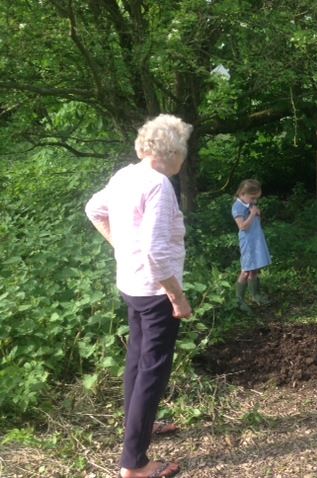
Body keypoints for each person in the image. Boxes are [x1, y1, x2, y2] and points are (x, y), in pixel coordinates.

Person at [85, 114, 192, 478]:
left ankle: (139, 429)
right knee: (153, 371)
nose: (184, 160)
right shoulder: (158, 185)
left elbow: (94, 209)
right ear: (172, 152)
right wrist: (177, 298)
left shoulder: (125, 176)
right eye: (184, 151)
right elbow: (158, 252)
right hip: (155, 290)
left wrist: (121, 246)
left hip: (131, 285)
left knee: (137, 361)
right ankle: (135, 464)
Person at [233, 179, 272, 313]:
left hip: (256, 239)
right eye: (252, 197)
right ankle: (239, 300)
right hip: (248, 242)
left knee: (255, 268)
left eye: (256, 198)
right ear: (243, 193)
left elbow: (254, 217)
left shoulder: (249, 204)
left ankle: (256, 295)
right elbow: (242, 226)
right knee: (246, 269)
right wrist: (253, 213)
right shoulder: (237, 207)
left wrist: (256, 212)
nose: (254, 200)